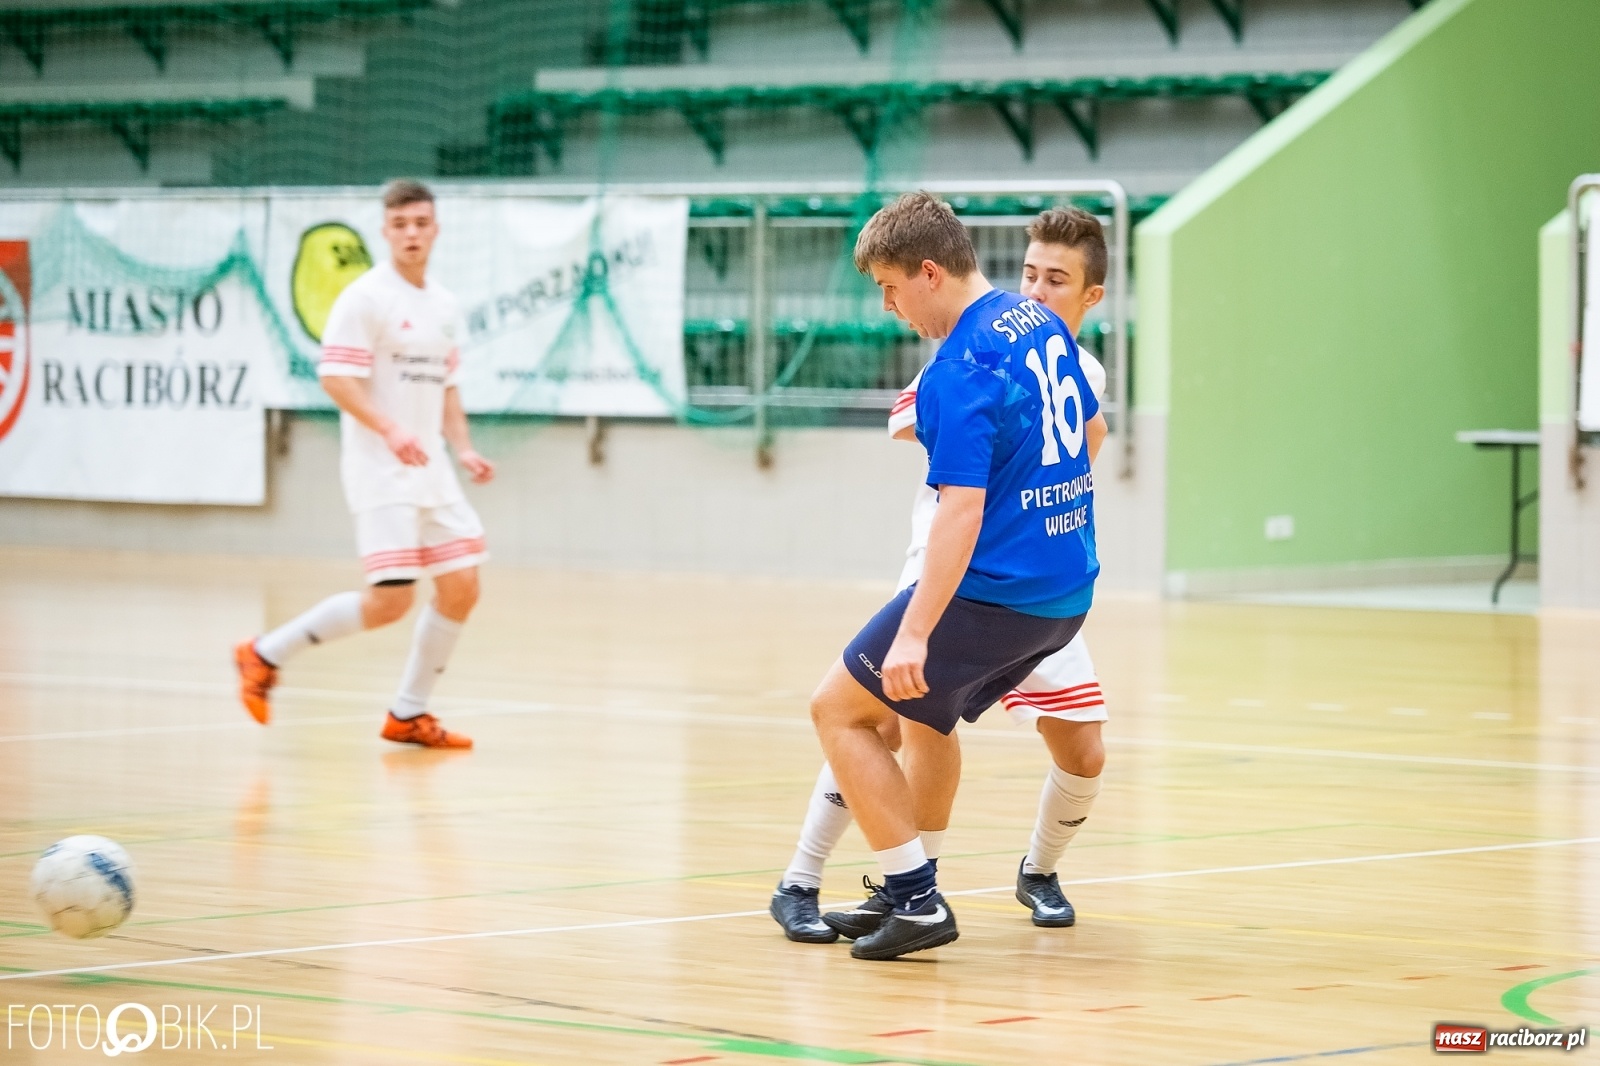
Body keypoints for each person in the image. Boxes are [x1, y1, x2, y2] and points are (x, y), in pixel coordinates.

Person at [770, 206, 1113, 946]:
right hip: (1067, 592)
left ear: (930, 272)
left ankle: (914, 898)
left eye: (891, 288)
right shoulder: (1040, 324)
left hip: (994, 591)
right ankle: (890, 892)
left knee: (840, 711)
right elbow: (1088, 433)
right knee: (922, 720)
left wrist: (916, 631)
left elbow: (959, 511)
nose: (888, 308)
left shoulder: (958, 367)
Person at [233, 179, 494, 750]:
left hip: (433, 470)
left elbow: (448, 387)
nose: (411, 234)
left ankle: (408, 713)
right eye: (400, 225)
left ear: (436, 229)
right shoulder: (366, 298)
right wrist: (391, 428)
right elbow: (335, 377)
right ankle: (263, 653)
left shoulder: (445, 305)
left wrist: (464, 447)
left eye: (421, 223)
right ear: (385, 231)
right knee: (390, 603)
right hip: (382, 468)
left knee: (462, 586)